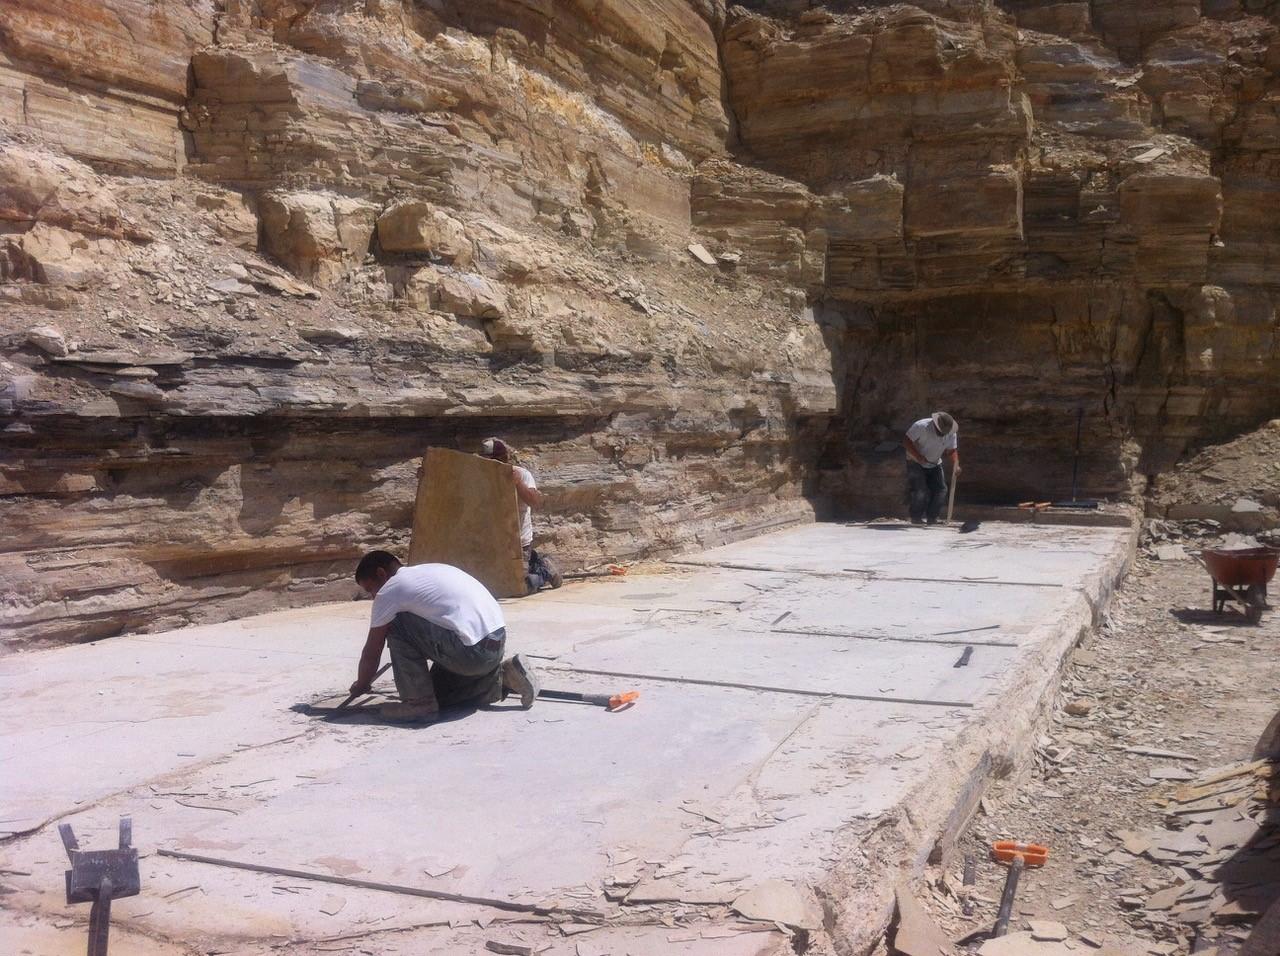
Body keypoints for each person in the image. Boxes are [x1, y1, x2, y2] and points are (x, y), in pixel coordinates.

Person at [349, 550, 540, 722]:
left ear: (382, 574)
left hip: (471, 653)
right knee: (439, 695)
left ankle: (418, 704)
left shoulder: (391, 590)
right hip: (494, 645)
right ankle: (506, 677)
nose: (374, 596)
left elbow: (372, 651)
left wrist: (362, 684)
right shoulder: (431, 569)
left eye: (370, 589)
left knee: (396, 624)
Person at [479, 437, 562, 593]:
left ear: (503, 459)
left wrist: (518, 484)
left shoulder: (522, 475)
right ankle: (533, 561)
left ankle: (544, 569)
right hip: (490, 543)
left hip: (518, 542)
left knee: (520, 588)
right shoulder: (477, 476)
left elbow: (535, 502)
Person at [903, 411, 960, 525]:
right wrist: (918, 457)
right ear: (935, 424)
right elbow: (906, 441)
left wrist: (956, 464)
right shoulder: (921, 426)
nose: (942, 433)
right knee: (921, 491)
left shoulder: (950, 432)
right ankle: (916, 518)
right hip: (915, 462)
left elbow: (951, 450)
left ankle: (932, 518)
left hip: (934, 463)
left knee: (941, 490)